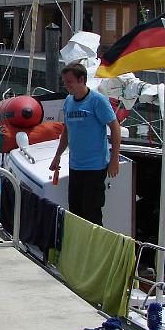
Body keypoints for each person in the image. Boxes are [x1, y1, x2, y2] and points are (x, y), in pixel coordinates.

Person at [49, 63, 121, 226]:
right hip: (75, 166)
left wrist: (114, 158)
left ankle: (96, 249)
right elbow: (66, 131)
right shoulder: (68, 101)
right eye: (64, 82)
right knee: (75, 211)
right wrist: (57, 156)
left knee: (92, 212)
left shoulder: (97, 101)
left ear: (81, 80)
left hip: (95, 168)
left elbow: (115, 127)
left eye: (69, 82)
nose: (66, 86)